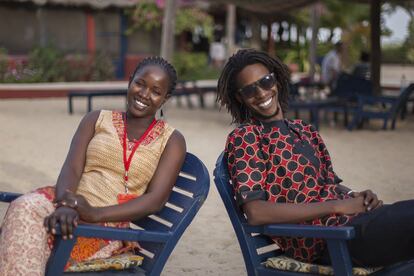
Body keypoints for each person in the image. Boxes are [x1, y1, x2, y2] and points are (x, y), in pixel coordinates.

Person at [216, 48, 414, 267]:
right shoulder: (247, 137)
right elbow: (255, 212)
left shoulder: (304, 130)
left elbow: (330, 185)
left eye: (265, 81)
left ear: (276, 80)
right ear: (239, 97)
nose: (261, 93)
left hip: (353, 223)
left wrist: (357, 196)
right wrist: (336, 207)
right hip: (328, 239)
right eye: (249, 89)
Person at [0, 56, 186, 275]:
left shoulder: (171, 141)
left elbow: (155, 200)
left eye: (155, 91)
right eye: (140, 83)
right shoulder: (96, 119)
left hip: (107, 224)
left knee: (37, 237)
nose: (144, 94)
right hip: (67, 203)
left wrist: (94, 213)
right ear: (130, 81)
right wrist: (67, 205)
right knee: (24, 207)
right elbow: (72, 168)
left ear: (165, 98)